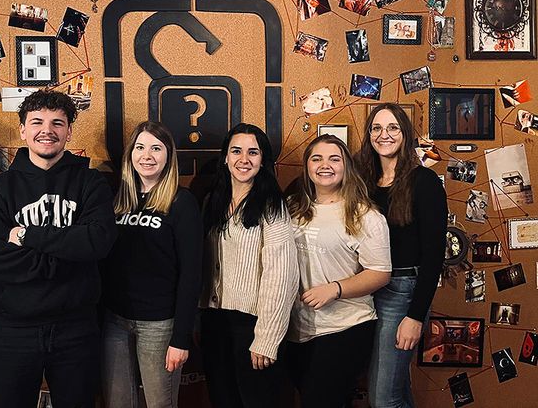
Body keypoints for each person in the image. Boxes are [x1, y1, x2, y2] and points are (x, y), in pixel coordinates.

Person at [0, 90, 117, 408]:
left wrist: (26, 237)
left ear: (68, 131)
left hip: (75, 328)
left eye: (57, 122)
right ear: (23, 129)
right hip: (12, 330)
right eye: (36, 121)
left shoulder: (91, 183)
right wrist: (67, 257)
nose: (46, 130)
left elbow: (98, 242)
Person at [100, 121, 202, 408]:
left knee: (160, 403)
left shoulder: (181, 202)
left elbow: (191, 274)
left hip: (160, 324)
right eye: (140, 147)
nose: (147, 155)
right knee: (117, 403)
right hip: (115, 320)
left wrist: (181, 337)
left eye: (156, 148)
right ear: (130, 154)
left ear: (168, 156)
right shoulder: (115, 199)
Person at [286, 134, 391, 408]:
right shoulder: (292, 209)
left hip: (345, 328)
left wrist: (335, 289)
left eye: (335, 158)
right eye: (316, 158)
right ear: (307, 166)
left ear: (346, 166)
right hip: (297, 330)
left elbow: (380, 273)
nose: (325, 165)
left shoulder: (365, 215)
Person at [201, 123, 299, 408]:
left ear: (263, 160)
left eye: (253, 152)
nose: (244, 159)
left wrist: (267, 338)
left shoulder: (272, 206)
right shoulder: (212, 201)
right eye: (236, 151)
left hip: (253, 325)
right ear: (225, 157)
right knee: (222, 400)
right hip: (215, 321)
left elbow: (281, 277)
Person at [357, 103, 448, 408]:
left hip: (403, 292)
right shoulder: (362, 182)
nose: (384, 135)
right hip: (365, 289)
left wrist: (415, 316)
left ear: (406, 134)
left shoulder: (424, 182)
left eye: (393, 127)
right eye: (377, 128)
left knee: (383, 398)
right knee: (394, 388)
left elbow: (434, 254)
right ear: (369, 134)